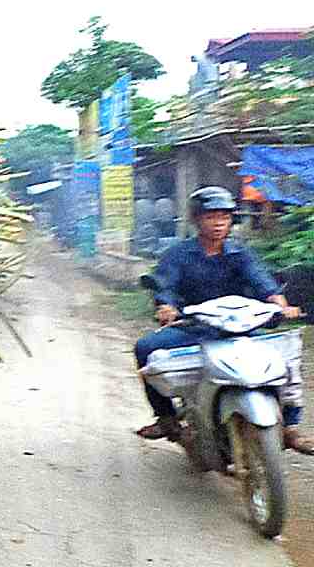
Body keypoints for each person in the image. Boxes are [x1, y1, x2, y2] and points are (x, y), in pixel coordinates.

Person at [134, 185, 314, 454]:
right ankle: (166, 418)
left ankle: (290, 427)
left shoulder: (240, 253)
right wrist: (166, 306)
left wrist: (279, 303)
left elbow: (262, 280)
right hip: (194, 328)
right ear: (197, 219)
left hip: (239, 328)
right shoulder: (178, 254)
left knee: (285, 356)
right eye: (211, 216)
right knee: (145, 348)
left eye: (224, 217)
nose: (218, 223)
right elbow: (165, 285)